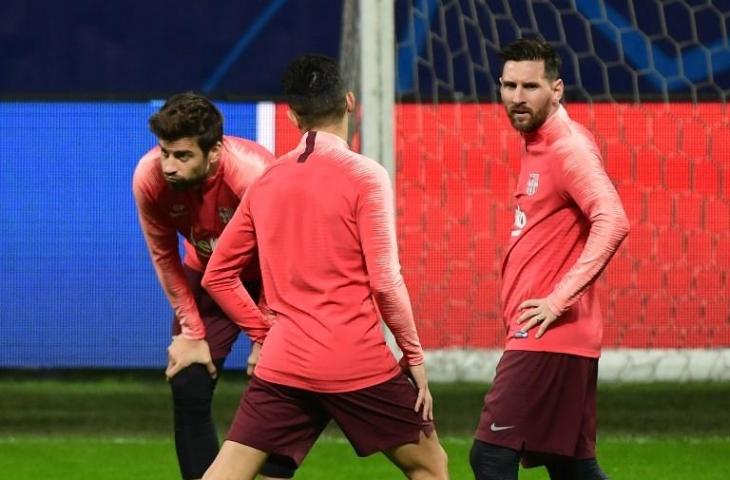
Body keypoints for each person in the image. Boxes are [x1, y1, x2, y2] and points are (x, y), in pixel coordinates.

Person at [199, 54, 449, 480]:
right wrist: (413, 354)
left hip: (285, 361)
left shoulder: (267, 181)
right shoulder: (365, 175)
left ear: (294, 115)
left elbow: (216, 274)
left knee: (225, 474)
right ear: (349, 102)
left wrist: (267, 333)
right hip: (354, 359)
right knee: (429, 465)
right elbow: (386, 282)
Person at [469, 38, 630, 480]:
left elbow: (613, 220)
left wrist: (556, 301)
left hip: (549, 334)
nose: (518, 98)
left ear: (557, 89)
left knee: (491, 456)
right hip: (556, 337)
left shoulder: (567, 146)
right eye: (509, 85)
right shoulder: (537, 139)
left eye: (531, 87)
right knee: (572, 467)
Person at [132, 92, 297, 480]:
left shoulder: (254, 175)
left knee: (282, 386)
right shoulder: (149, 178)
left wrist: (266, 333)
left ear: (214, 153)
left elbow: (283, 256)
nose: (169, 166)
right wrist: (191, 330)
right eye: (165, 153)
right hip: (207, 280)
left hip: (271, 282)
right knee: (188, 380)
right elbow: (164, 257)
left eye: (183, 156)